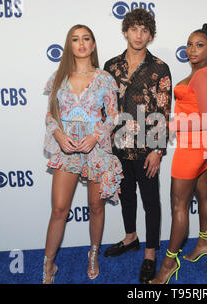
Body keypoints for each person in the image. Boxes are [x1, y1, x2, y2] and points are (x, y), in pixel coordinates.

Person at [42, 24, 123, 284]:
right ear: (70, 45)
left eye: (86, 38)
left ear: (93, 44)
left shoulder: (104, 79)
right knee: (58, 210)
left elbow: (113, 116)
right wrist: (59, 136)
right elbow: (50, 116)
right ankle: (49, 264)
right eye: (75, 39)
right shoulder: (58, 78)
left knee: (96, 207)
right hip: (67, 150)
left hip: (95, 149)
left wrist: (95, 136)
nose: (81, 43)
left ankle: (93, 254)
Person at [103, 8, 172, 284]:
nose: (139, 35)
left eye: (145, 30)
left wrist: (157, 150)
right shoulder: (111, 67)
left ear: (151, 35)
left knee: (151, 201)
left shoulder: (159, 68)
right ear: (125, 31)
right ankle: (130, 237)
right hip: (118, 145)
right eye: (134, 29)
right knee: (126, 195)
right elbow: (104, 110)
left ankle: (151, 253)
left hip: (146, 148)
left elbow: (164, 111)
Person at [150, 23, 207, 284]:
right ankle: (203, 243)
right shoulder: (202, 72)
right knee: (204, 194)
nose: (192, 49)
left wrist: (172, 125)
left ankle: (168, 264)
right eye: (189, 44)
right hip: (201, 145)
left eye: (199, 45)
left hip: (191, 147)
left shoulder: (202, 75)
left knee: (179, 206)